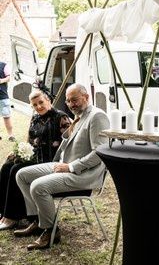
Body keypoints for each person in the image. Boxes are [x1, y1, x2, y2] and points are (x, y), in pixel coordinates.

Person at [15, 83, 110, 250]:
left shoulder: (97, 116)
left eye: (74, 100)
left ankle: (50, 231)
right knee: (22, 175)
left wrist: (70, 167)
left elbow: (99, 153)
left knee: (38, 186)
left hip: (82, 174)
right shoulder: (80, 115)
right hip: (64, 165)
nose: (71, 104)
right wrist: (58, 161)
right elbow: (68, 143)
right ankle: (38, 221)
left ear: (86, 97)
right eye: (68, 101)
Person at [0, 90, 71, 231]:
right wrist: (17, 153)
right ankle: (3, 211)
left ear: (48, 101)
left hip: (50, 161)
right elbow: (29, 141)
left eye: (41, 103)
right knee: (7, 166)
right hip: (35, 157)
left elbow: (69, 145)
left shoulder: (61, 117)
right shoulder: (35, 117)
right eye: (34, 105)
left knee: (16, 170)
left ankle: (12, 217)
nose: (38, 107)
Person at [0, 61, 15, 141]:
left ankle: (10, 135)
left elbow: (9, 78)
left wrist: (1, 81)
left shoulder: (3, 65)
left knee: (6, 116)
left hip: (2, 96)